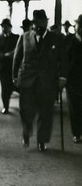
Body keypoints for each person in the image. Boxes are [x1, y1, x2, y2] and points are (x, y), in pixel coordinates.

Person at [13, 9, 67, 151]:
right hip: (27, 81)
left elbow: (63, 60)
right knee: (26, 110)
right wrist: (14, 76)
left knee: (46, 112)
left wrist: (62, 77)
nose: (38, 25)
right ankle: (27, 131)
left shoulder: (56, 38)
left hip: (47, 82)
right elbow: (17, 58)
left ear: (46, 22)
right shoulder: (24, 37)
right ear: (33, 23)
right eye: (36, 22)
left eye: (41, 22)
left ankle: (42, 141)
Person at [0, 18, 19, 114]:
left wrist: (8, 54)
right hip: (3, 68)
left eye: (6, 27)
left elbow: (17, 50)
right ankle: (6, 106)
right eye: (3, 27)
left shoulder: (16, 37)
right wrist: (0, 56)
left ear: (10, 27)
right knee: (4, 88)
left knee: (14, 86)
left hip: (13, 67)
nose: (4, 28)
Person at [66, 14, 82, 144]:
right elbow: (63, 61)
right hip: (72, 81)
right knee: (74, 108)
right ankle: (77, 133)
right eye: (80, 25)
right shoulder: (69, 41)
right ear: (75, 26)